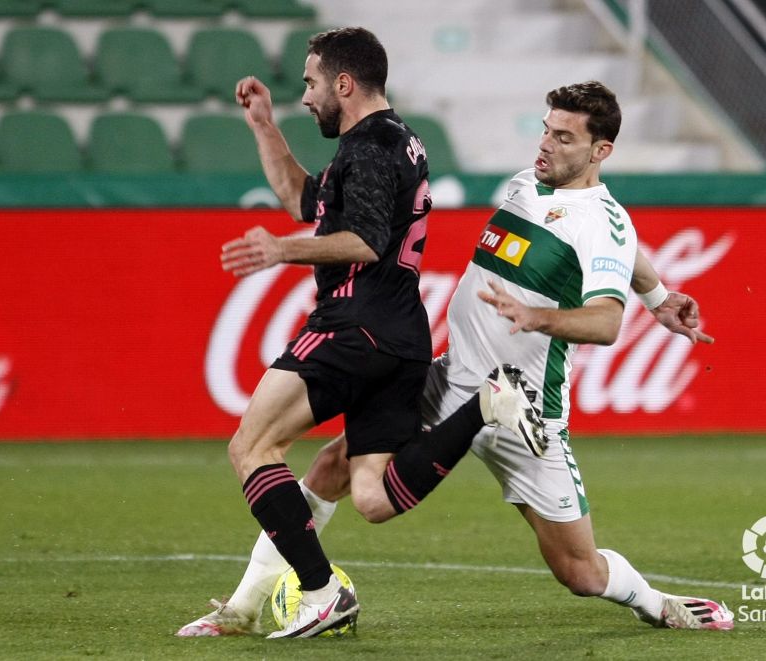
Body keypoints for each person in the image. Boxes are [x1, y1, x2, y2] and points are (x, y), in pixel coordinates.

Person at [178, 80, 733, 638]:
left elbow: (607, 321)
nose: (546, 145)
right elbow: (626, 252)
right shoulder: (528, 185)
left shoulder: (600, 219)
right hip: (447, 381)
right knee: (331, 466)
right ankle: (245, 606)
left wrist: (536, 315)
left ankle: (656, 602)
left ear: (600, 151)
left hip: (526, 412)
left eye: (564, 138)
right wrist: (659, 297)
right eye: (546, 129)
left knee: (580, 572)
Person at [213, 27, 543, 639]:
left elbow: (363, 239)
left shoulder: (366, 148)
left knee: (252, 448)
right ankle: (485, 407)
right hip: (401, 339)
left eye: (311, 83)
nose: (305, 96)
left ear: (344, 83)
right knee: (371, 496)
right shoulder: (397, 142)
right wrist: (263, 126)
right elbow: (301, 198)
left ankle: (320, 591)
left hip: (352, 326)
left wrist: (281, 251)